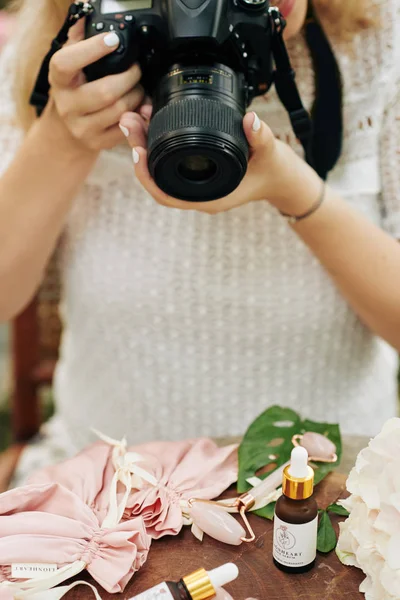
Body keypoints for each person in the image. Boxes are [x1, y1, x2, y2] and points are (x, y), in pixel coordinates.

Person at [0, 0, 399, 485]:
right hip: (109, 479)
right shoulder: (72, 48)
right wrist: (63, 137)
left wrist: (298, 194)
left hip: (325, 477)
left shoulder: (381, 42)